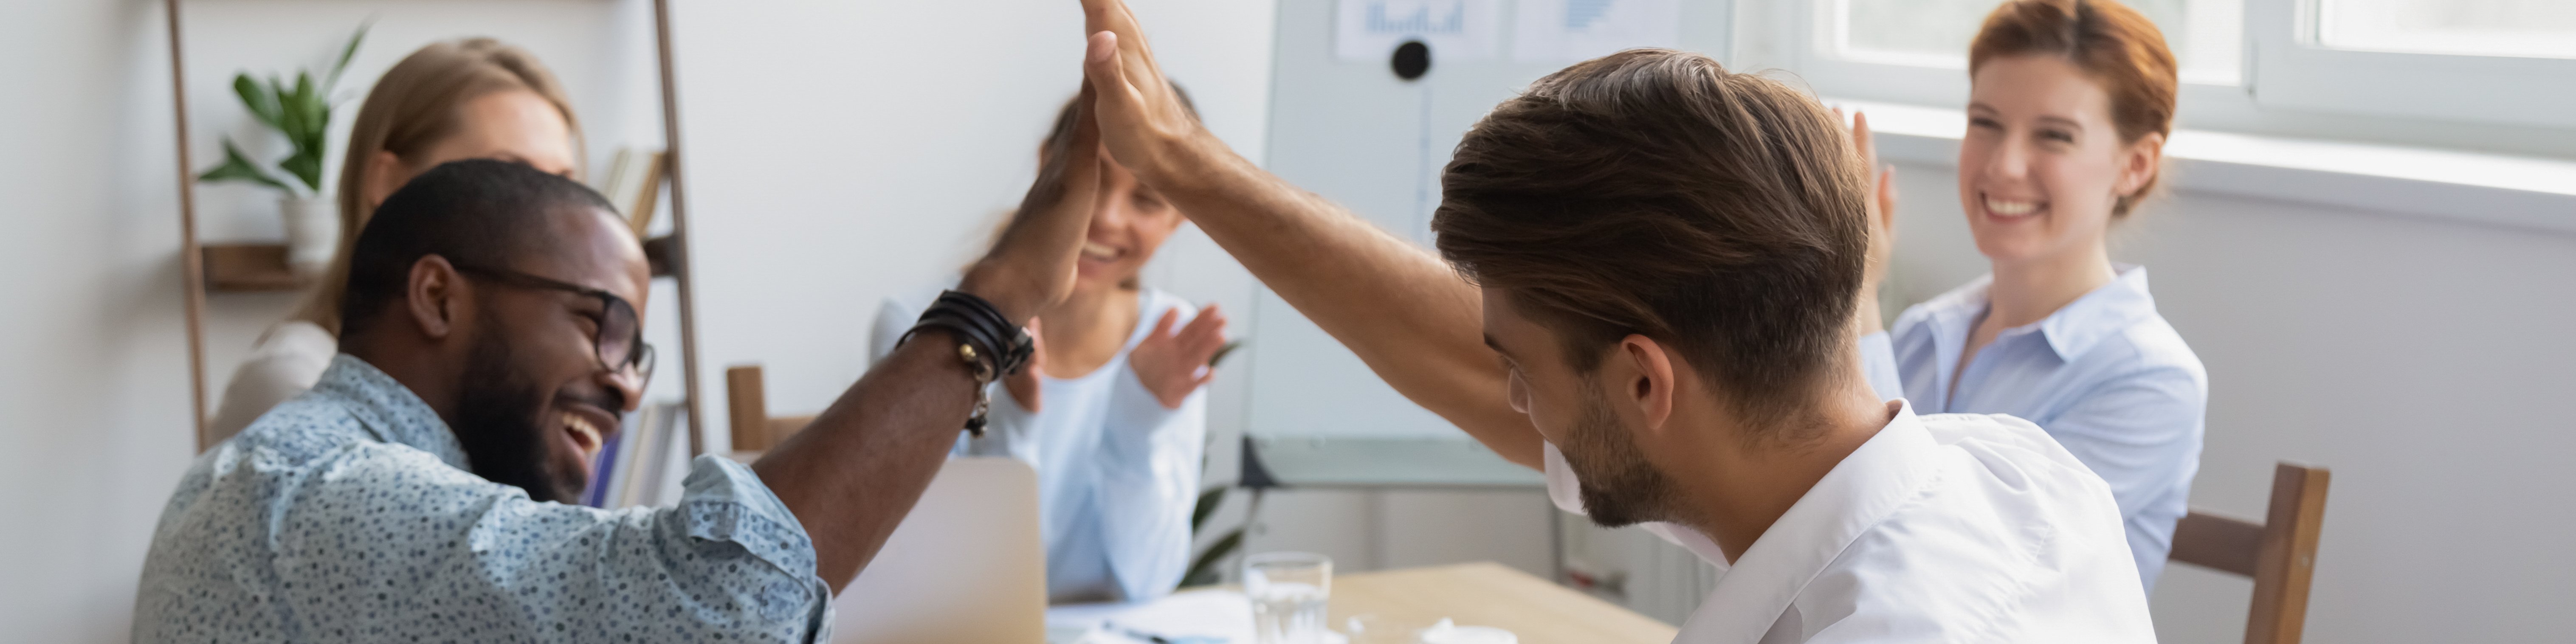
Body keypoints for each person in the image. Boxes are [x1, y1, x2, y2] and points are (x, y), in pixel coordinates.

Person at [1069, 0, 2153, 640]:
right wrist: (1179, 165)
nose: (1510, 398)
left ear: (1645, 384)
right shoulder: (2014, 469)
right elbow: (1461, 353)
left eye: (1523, 367)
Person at [136, 122, 1102, 640]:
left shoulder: (297, 476)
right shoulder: (325, 495)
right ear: (438, 295)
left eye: (636, 353)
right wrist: (998, 296)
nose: (627, 386)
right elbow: (710, 596)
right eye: (602, 324)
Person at [1848, 0, 2208, 590]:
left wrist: (1859, 297)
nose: (2003, 164)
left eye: (2053, 136)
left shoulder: (2150, 381)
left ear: (2135, 165)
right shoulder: (1922, 334)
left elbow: (1935, 574)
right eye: (1984, 123)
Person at [867, 91, 1229, 604]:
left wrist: (1139, 419)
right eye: (1095, 178)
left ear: (1181, 216)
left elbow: (1149, 579)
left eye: (1146, 199)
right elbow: (940, 579)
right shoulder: (923, 326)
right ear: (1047, 166)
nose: (1107, 216)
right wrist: (1011, 426)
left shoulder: (1170, 337)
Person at [206, 38, 586, 443]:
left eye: (562, 186)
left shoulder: (523, 386)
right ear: (389, 182)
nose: (547, 220)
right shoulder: (295, 383)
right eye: (508, 176)